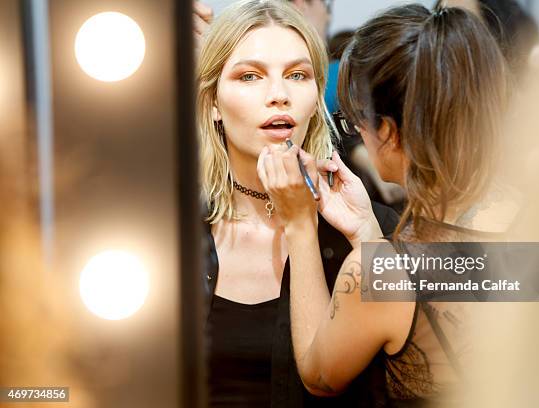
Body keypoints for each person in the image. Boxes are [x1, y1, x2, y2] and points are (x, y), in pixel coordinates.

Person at [257, 4, 509, 406]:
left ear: (388, 131)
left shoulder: (381, 275)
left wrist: (300, 225)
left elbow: (319, 375)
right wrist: (368, 235)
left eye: (354, 120)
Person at [195, 1, 398, 406]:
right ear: (214, 102)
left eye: (298, 75)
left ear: (315, 94)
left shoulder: (368, 228)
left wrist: (366, 238)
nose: (278, 95)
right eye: (250, 76)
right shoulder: (172, 233)